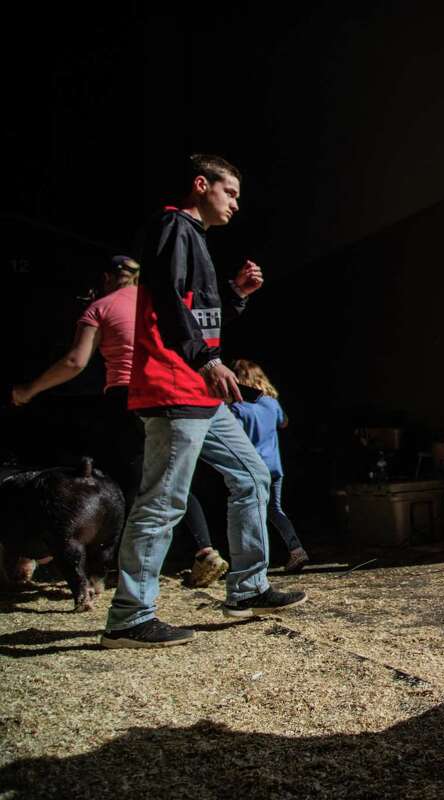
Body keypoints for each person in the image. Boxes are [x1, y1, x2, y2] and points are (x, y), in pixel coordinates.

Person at [101, 154, 307, 649]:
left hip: (199, 390)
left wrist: (235, 294)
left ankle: (248, 587)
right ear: (201, 185)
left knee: (253, 476)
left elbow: (200, 319)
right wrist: (205, 361)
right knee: (162, 501)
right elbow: (169, 303)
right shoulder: (174, 225)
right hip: (174, 386)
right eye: (230, 191)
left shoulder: (197, 242)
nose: (236, 203)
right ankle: (130, 617)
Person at [11, 256, 229, 588]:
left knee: (125, 483)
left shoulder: (100, 306)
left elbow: (75, 361)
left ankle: (117, 571)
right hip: (170, 392)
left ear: (108, 278)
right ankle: (204, 550)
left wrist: (29, 390)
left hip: (127, 397)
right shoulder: (159, 298)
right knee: (171, 476)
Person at [229, 359, 309, 573]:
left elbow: (234, 437)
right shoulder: (271, 403)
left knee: (252, 513)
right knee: (275, 509)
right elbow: (284, 422)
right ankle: (296, 549)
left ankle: (255, 561)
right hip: (274, 466)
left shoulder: (238, 407)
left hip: (252, 467)